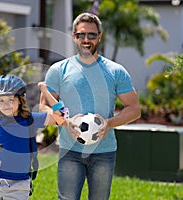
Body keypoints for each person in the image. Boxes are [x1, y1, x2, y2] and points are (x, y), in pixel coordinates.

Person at [39, 12, 141, 200]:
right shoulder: (58, 70)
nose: (86, 40)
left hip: (104, 152)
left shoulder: (115, 71)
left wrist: (108, 123)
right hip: (70, 151)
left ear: (99, 37)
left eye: (91, 35)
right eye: (81, 35)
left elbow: (134, 109)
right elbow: (43, 107)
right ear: (74, 37)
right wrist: (65, 122)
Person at [0, 74, 71, 200]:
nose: (6, 104)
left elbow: (61, 116)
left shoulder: (30, 120)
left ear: (21, 100)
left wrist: (45, 91)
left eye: (11, 99)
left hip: (18, 187)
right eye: (1, 100)